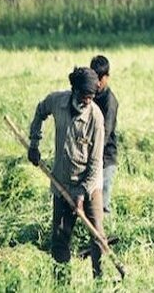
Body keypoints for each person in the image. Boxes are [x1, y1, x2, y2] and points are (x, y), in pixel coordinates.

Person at [27, 67, 106, 280]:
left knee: (97, 235)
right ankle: (61, 282)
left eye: (91, 97)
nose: (87, 101)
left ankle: (100, 279)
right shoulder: (57, 101)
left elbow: (96, 162)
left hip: (89, 186)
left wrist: (81, 193)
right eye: (84, 96)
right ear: (74, 90)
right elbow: (40, 111)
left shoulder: (96, 118)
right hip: (61, 183)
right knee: (60, 240)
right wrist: (34, 143)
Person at [90, 55, 119, 214]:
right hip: (91, 155)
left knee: (103, 201)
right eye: (95, 78)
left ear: (107, 77)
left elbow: (105, 133)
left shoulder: (110, 101)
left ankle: (105, 235)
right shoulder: (89, 96)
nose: (98, 83)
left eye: (101, 78)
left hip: (106, 157)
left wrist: (94, 155)